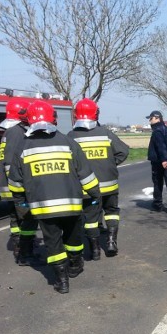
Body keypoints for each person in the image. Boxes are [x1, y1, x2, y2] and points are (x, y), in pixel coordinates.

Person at [8, 100, 101, 294]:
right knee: (73, 238)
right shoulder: (68, 142)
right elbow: (86, 174)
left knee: (53, 243)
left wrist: (21, 203)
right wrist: (95, 195)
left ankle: (62, 280)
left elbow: (16, 182)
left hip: (43, 209)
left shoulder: (22, 146)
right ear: (54, 119)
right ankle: (75, 265)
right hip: (72, 205)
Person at [68, 98, 129, 259]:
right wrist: (110, 163)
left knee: (90, 219)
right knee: (111, 212)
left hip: (87, 188)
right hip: (110, 186)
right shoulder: (106, 133)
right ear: (96, 114)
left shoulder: (71, 136)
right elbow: (123, 152)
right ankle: (110, 242)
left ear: (76, 115)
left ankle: (94, 251)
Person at [0, 97, 40, 265]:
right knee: (28, 219)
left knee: (16, 220)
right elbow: (11, 164)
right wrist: (23, 186)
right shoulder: (16, 132)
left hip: (10, 187)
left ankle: (20, 249)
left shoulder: (10, 131)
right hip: (17, 188)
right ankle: (25, 253)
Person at [146, 110, 167, 215]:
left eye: (151, 118)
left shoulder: (157, 131)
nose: (149, 120)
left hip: (159, 162)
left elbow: (161, 146)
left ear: (157, 118)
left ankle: (158, 204)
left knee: (158, 183)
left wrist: (164, 160)